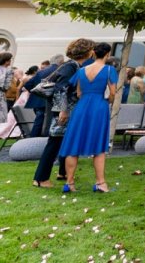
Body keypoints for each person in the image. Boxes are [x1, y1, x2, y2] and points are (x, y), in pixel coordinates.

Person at [57, 43, 117, 193]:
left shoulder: (82, 70)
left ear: (94, 53)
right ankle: (100, 183)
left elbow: (78, 93)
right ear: (107, 54)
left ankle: (69, 183)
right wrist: (107, 101)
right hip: (99, 107)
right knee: (98, 146)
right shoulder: (110, 70)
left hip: (81, 107)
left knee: (74, 143)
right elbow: (113, 93)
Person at [32, 40, 93, 188]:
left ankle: (62, 172)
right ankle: (40, 178)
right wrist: (63, 111)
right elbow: (61, 89)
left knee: (63, 140)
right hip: (64, 110)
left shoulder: (72, 66)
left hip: (67, 109)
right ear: (87, 51)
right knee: (54, 142)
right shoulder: (71, 67)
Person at [24, 55, 64, 138]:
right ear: (61, 62)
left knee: (39, 120)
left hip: (39, 100)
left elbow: (28, 84)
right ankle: (47, 137)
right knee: (51, 120)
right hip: (53, 100)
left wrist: (38, 93)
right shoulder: (61, 70)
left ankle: (33, 137)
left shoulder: (41, 72)